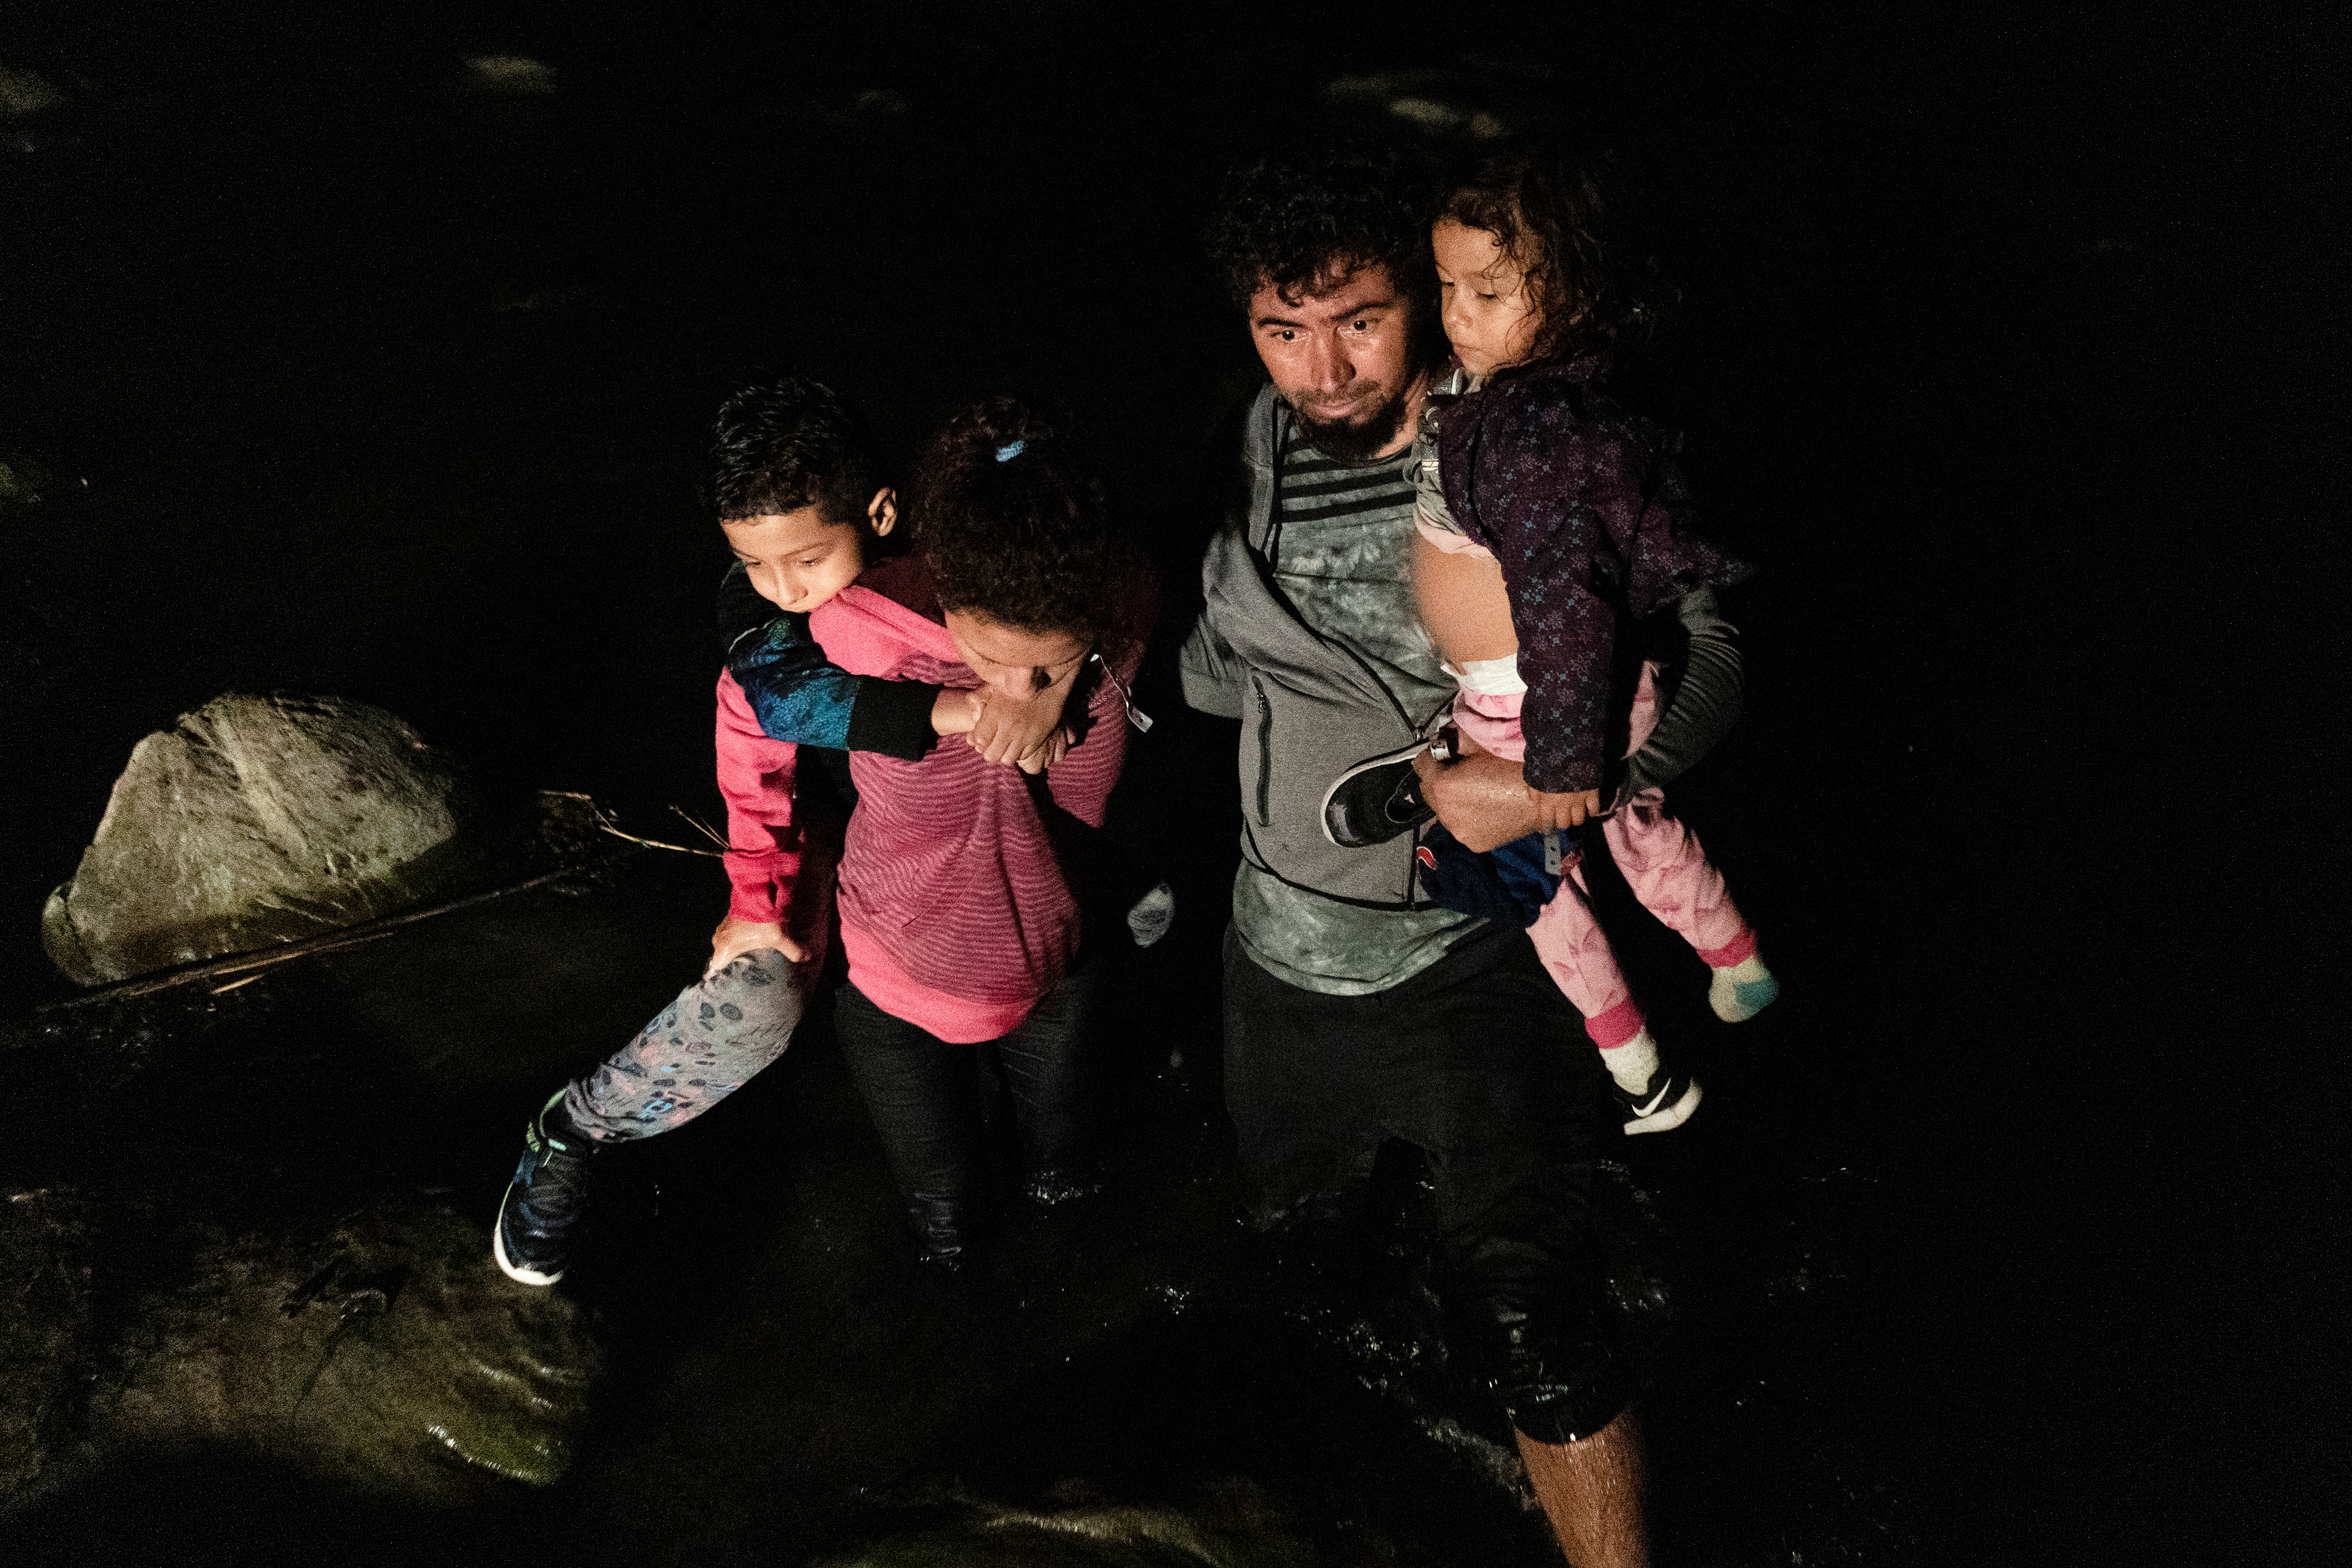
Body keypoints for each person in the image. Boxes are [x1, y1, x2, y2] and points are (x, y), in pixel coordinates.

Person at [1182, 141, 1649, 1567]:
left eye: (1360, 319)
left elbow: (1710, 660)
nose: (1321, 370)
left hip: (1469, 952)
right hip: (1278, 958)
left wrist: (1562, 781)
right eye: (1282, 328)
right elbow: (1217, 656)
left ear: (1431, 306)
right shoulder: (1260, 438)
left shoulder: (1523, 449)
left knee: (1528, 1312)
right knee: (1310, 1266)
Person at [493, 386, 1143, 1284]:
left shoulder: (1018, 568)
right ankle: (573, 1131)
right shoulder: (794, 632)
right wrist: (757, 896)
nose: (787, 590)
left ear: (882, 513)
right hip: (855, 887)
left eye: (804, 560)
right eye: (758, 566)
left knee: (1072, 1161)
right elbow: (762, 720)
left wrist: (1049, 678)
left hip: (1002, 903)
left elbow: (1075, 586)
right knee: (764, 1007)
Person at [1321, 144, 1775, 1133]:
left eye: (1485, 293)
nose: (1456, 317)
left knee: (1540, 884)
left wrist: (1558, 771)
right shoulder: (1527, 397)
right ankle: (1733, 961)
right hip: (1541, 694)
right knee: (1637, 828)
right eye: (1444, 288)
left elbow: (1566, 604)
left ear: (1574, 293)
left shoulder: (1541, 434)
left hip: (1540, 710)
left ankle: (1639, 1066)